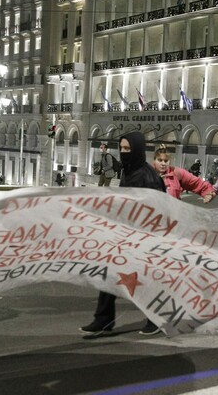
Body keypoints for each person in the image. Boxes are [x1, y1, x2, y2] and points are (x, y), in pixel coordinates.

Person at [80, 132, 166, 336]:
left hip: (143, 238)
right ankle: (103, 319)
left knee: (145, 279)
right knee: (109, 273)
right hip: (125, 235)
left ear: (137, 149)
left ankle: (156, 318)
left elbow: (158, 211)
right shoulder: (128, 171)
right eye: (122, 148)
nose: (124, 152)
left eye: (128, 149)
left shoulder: (148, 177)